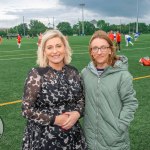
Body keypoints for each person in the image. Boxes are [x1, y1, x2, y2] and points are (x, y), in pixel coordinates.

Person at [22, 30, 87, 150]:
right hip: (44, 138)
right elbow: (26, 110)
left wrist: (77, 113)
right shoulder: (36, 75)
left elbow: (81, 100)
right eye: (50, 47)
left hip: (73, 136)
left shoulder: (73, 72)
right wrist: (55, 119)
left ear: (65, 48)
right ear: (44, 51)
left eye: (58, 46)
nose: (55, 51)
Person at [81, 30, 138, 150]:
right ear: (91, 52)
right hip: (90, 139)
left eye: (103, 47)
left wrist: (120, 126)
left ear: (110, 50)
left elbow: (130, 103)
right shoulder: (85, 73)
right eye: (95, 48)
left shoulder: (122, 75)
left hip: (115, 140)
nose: (99, 52)